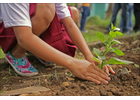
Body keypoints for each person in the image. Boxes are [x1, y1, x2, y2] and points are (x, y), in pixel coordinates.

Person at [0, 3, 115, 85]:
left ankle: (37, 49)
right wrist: (73, 63)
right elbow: (24, 38)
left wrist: (88, 55)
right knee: (47, 7)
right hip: (10, 30)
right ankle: (17, 53)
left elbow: (69, 24)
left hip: (30, 24)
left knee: (73, 13)